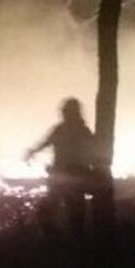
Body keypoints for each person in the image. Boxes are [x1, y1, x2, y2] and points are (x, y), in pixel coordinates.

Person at [26, 97, 96, 241]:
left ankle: (68, 244)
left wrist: (32, 152)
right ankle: (65, 243)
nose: (63, 114)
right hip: (65, 177)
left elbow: (93, 153)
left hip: (70, 177)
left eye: (66, 111)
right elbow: (46, 142)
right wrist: (32, 152)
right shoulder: (69, 130)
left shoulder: (77, 131)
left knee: (73, 214)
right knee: (62, 212)